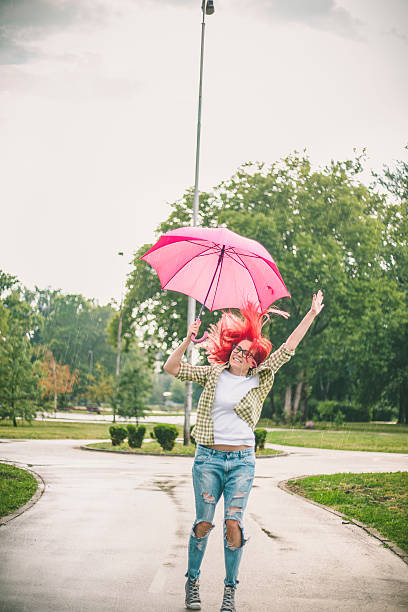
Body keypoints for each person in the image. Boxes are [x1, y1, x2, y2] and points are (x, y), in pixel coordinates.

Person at [164, 290, 324, 612]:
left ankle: (229, 591)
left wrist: (311, 314)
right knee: (203, 523)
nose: (239, 354)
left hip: (241, 462)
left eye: (245, 352)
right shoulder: (213, 374)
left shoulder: (261, 378)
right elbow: (172, 368)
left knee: (232, 524)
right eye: (236, 349)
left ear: (254, 358)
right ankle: (192, 582)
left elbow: (288, 349)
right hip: (208, 458)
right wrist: (188, 339)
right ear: (230, 350)